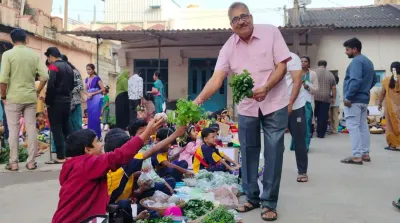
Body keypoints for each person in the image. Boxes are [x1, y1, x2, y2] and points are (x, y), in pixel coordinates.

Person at [193, 2, 291, 221]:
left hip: (275, 102)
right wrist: (196, 102)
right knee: (247, 150)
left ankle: (269, 202)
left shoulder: (271, 32)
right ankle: (251, 197)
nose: (241, 21)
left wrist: (266, 87)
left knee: (274, 151)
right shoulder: (228, 47)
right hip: (247, 107)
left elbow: (282, 66)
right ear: (231, 25)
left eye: (244, 16)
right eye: (236, 19)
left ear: (252, 17)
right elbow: (217, 78)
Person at [51, 118, 164, 223]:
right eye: (97, 142)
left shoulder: (75, 165)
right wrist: (147, 133)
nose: (101, 145)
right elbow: (119, 156)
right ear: (88, 150)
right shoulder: (87, 164)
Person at [105, 127, 185, 222]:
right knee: (125, 205)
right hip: (112, 213)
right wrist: (175, 135)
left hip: (122, 206)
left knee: (138, 206)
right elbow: (152, 150)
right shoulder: (123, 168)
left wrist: (138, 192)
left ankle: (140, 216)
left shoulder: (116, 167)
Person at [0, 28, 48, 171]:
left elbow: (3, 79)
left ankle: (13, 163)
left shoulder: (8, 55)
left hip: (13, 97)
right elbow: (44, 76)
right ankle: (31, 162)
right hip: (30, 97)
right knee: (32, 128)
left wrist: (3, 96)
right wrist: (37, 90)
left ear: (12, 40)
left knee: (14, 130)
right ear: (26, 39)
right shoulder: (33, 55)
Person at [341, 37, 377, 165]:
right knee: (362, 126)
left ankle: (357, 156)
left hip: (354, 100)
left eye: (347, 49)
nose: (346, 52)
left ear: (355, 50)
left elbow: (355, 80)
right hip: (363, 99)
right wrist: (365, 90)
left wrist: (348, 97)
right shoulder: (368, 61)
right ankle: (365, 154)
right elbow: (374, 80)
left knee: (353, 127)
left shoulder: (356, 61)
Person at [128, 119, 176, 196]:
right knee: (163, 185)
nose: (146, 136)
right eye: (142, 133)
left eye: (147, 133)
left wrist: (166, 185)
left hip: (150, 183)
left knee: (169, 182)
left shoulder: (146, 148)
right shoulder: (130, 152)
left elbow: (151, 173)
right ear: (132, 137)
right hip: (138, 189)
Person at [44, 47, 75, 165]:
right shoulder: (69, 66)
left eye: (48, 57)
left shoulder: (53, 67)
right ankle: (71, 153)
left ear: (51, 56)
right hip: (67, 100)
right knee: (67, 127)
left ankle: (60, 156)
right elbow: (72, 85)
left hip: (55, 101)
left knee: (56, 128)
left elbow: (51, 85)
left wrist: (48, 101)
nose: (49, 60)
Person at [285, 53, 308, 183]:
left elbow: (297, 81)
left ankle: (302, 171)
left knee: (299, 139)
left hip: (295, 106)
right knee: (274, 141)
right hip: (277, 105)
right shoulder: (268, 57)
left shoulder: (292, 58)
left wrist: (290, 103)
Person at [378, 62, 400, 151]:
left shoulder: (387, 80)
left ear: (391, 70)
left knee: (390, 126)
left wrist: (379, 103)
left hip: (390, 108)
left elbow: (382, 93)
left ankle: (393, 144)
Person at [313, 60, 337, 138]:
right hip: (326, 98)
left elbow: (307, 83)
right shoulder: (331, 74)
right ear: (326, 65)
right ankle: (321, 134)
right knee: (323, 116)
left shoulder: (313, 72)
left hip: (314, 97)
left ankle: (310, 132)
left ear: (318, 64)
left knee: (312, 115)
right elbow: (333, 88)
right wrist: (333, 98)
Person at [300, 56, 319, 150]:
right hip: (297, 102)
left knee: (307, 123)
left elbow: (316, 89)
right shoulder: (296, 73)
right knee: (297, 124)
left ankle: (305, 146)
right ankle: (296, 145)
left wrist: (307, 86)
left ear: (309, 63)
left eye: (305, 61)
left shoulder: (313, 74)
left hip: (308, 102)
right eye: (301, 61)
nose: (303, 63)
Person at [61, 54, 83, 132]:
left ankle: (80, 143)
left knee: (77, 125)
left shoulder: (75, 72)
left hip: (75, 102)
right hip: (64, 103)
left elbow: (80, 86)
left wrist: (69, 91)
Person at [85, 64, 105, 138]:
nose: (88, 71)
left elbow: (103, 89)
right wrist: (87, 94)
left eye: (89, 69)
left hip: (96, 98)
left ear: (93, 70)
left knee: (96, 117)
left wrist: (93, 93)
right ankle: (90, 135)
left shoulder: (97, 78)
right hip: (89, 98)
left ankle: (98, 135)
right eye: (87, 69)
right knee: (90, 117)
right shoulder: (86, 79)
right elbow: (85, 89)